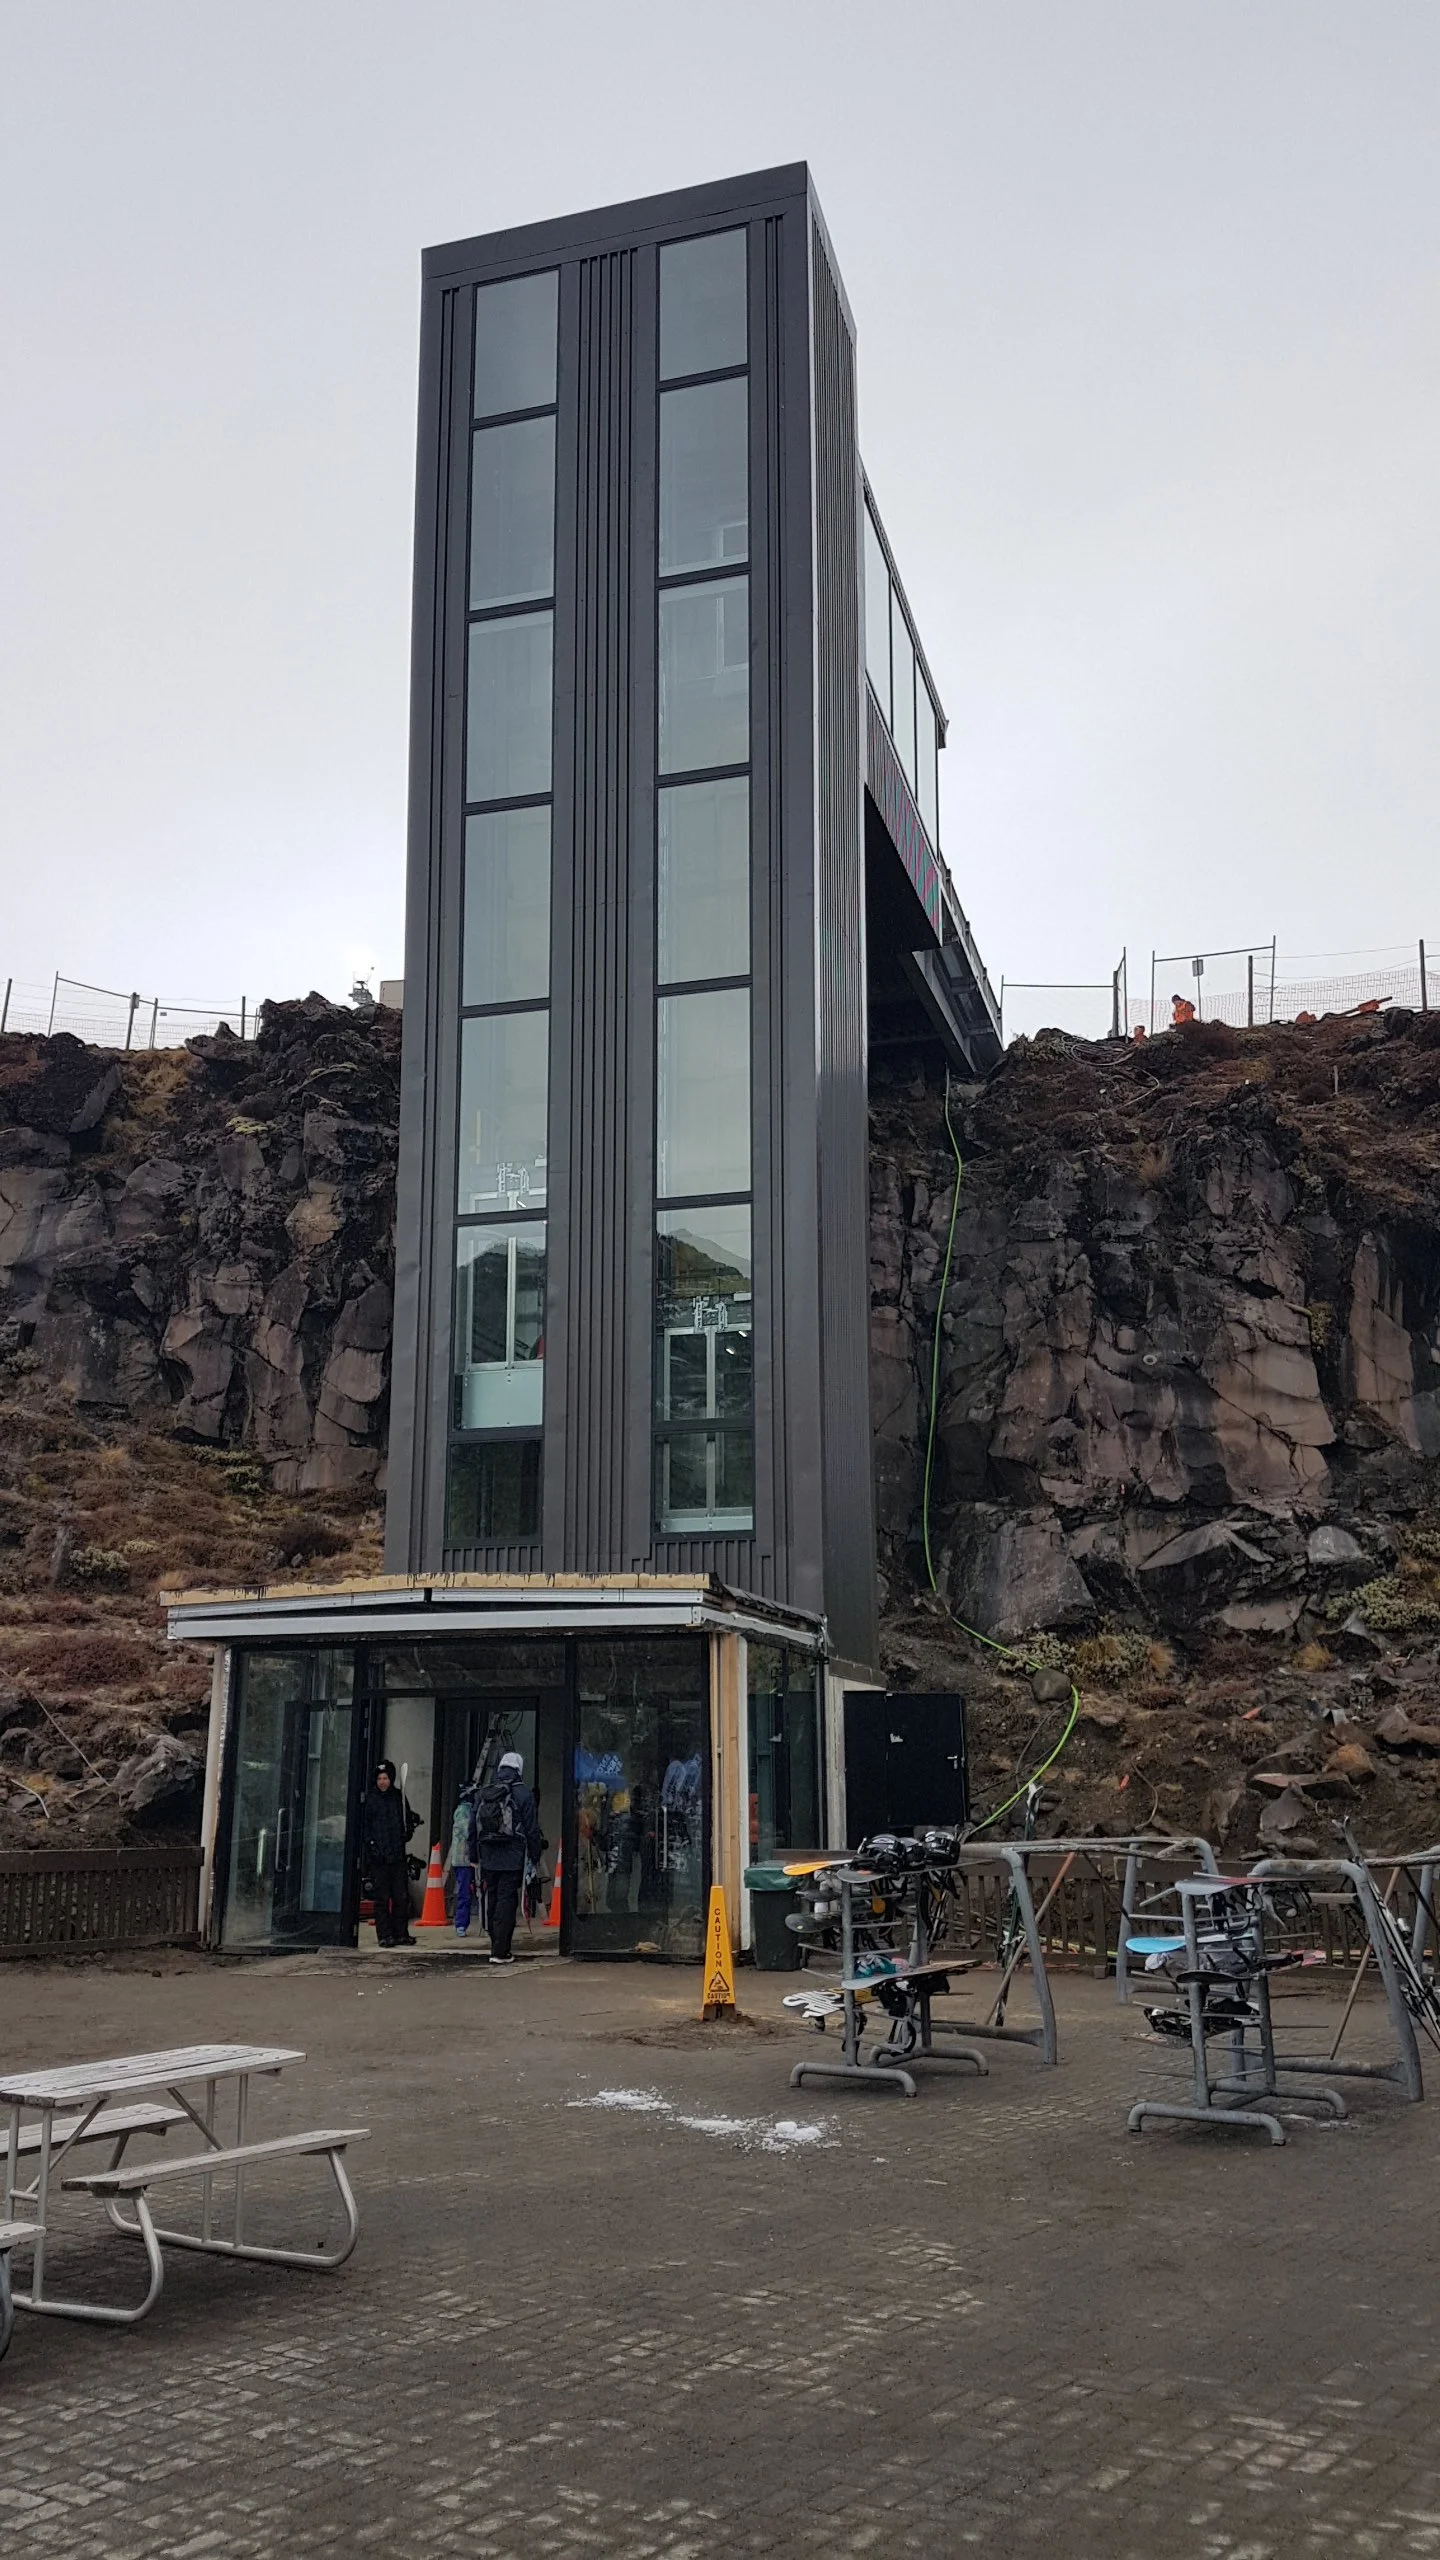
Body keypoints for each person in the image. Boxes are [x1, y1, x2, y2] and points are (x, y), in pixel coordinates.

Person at [474, 1748, 543, 1968]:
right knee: (507, 1899)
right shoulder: (523, 1793)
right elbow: (532, 1829)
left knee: (491, 1896)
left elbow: (472, 1825)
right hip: (513, 1855)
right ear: (519, 1769)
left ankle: (495, 1942)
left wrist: (474, 1853)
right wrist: (534, 1855)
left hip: (488, 1854)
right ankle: (500, 1950)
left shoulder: (485, 1791)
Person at [363, 1760, 420, 1948]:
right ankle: (384, 1935)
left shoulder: (398, 1797)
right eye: (379, 1778)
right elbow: (365, 1828)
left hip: (397, 1856)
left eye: (385, 1778)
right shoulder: (371, 1800)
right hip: (378, 1858)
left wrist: (408, 1830)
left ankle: (401, 1933)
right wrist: (371, 1847)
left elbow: (407, 1820)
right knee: (382, 1898)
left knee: (400, 1896)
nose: (382, 1782)